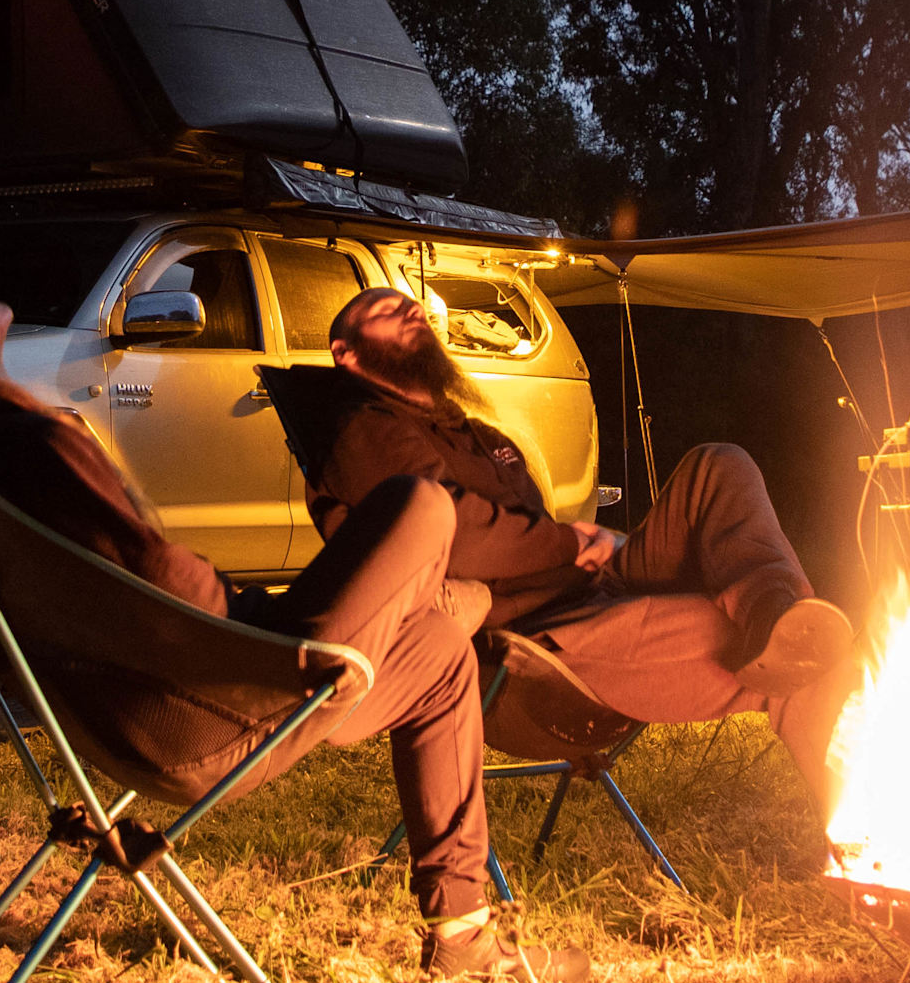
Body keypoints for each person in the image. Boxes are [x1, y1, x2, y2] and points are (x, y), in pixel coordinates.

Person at [0, 267, 516, 979]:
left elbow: (124, 591)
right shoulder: (24, 447)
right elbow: (160, 581)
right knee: (417, 505)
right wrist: (251, 623)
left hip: (143, 711)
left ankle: (461, 933)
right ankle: (435, 603)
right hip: (210, 706)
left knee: (442, 651)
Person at [315, 285, 862, 808]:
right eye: (385, 309)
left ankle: (770, 607)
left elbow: (526, 526)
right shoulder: (365, 432)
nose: (410, 309)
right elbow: (445, 536)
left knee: (718, 466)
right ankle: (863, 842)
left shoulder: (477, 433)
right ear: (348, 352)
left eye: (410, 304)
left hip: (589, 591)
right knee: (795, 661)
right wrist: (567, 544)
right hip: (531, 647)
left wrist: (588, 550)